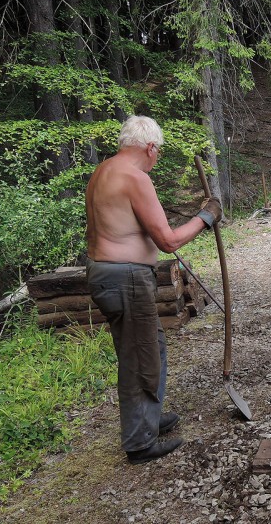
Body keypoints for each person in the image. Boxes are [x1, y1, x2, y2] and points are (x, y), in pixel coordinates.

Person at [85, 115, 222, 464]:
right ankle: (139, 442)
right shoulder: (135, 177)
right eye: (157, 152)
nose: (156, 158)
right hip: (126, 278)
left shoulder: (103, 171)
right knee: (140, 358)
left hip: (106, 274)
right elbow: (168, 241)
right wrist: (205, 217)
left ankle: (148, 418)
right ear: (149, 147)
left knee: (151, 348)